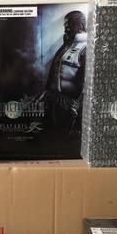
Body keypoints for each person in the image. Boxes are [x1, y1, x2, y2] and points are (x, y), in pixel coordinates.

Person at [45, 10, 87, 147]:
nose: (66, 29)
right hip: (58, 101)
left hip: (72, 105)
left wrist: (77, 106)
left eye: (69, 26)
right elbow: (55, 70)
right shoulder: (68, 44)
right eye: (65, 26)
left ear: (79, 26)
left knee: (66, 142)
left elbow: (88, 83)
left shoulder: (86, 47)